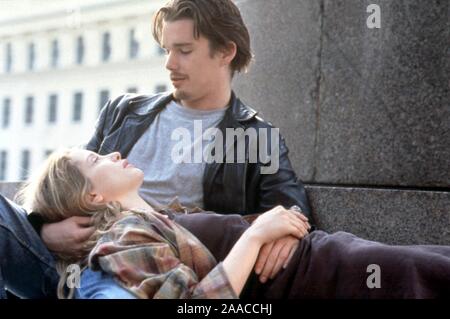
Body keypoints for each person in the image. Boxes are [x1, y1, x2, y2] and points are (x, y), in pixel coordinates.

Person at [0, 0, 312, 298]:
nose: (169, 63)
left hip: (160, 278)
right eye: (167, 50)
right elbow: (64, 184)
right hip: (76, 263)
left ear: (226, 52)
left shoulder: (256, 136)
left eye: (184, 51)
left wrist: (285, 230)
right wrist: (44, 230)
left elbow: (291, 205)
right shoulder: (122, 111)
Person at [16, 149, 450, 299]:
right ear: (92, 196)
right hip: (317, 278)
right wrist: (259, 236)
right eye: (96, 160)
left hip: (329, 252)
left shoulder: (161, 216)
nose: (111, 154)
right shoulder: (125, 238)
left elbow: (270, 211)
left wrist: (278, 222)